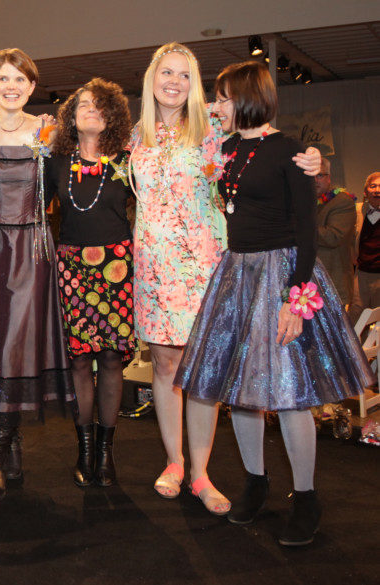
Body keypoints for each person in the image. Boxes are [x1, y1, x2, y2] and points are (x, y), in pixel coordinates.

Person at [175, 61, 372, 546]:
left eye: (222, 97)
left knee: (288, 397)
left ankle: (306, 497)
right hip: (236, 275)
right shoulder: (221, 149)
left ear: (245, 97)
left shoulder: (289, 152)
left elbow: (307, 232)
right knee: (241, 390)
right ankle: (255, 482)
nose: (216, 106)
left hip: (282, 276)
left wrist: (294, 302)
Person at [129, 42, 320, 516]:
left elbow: (269, 145)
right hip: (154, 265)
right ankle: (174, 463)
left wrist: (315, 161)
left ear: (198, 86)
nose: (174, 81)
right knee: (167, 366)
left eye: (185, 74)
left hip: (212, 265)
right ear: (151, 78)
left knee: (209, 371)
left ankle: (201, 472)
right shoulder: (133, 135)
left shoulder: (215, 126)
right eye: (166, 72)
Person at [0, 48, 75, 502]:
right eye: (3, 79)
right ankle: (10, 441)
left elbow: (86, 164)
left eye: (20, 80)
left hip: (31, 249)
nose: (11, 87)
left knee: (17, 346)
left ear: (31, 85)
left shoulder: (49, 130)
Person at [47, 78, 134, 486]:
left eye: (100, 105)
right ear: (71, 115)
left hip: (117, 267)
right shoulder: (55, 161)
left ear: (112, 114)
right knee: (80, 360)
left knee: (113, 358)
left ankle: (105, 454)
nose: (91, 109)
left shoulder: (130, 160)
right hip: (70, 267)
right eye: (83, 103)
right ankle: (83, 452)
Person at [315, 157, 356, 305]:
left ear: (329, 177)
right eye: (310, 176)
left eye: (320, 175)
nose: (314, 180)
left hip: (333, 285)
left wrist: (299, 226)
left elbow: (333, 237)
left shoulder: (342, 201)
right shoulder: (303, 204)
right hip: (308, 287)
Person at [356, 172, 380, 312]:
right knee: (356, 315)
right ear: (365, 192)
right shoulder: (356, 212)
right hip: (361, 274)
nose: (377, 190)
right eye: (373, 186)